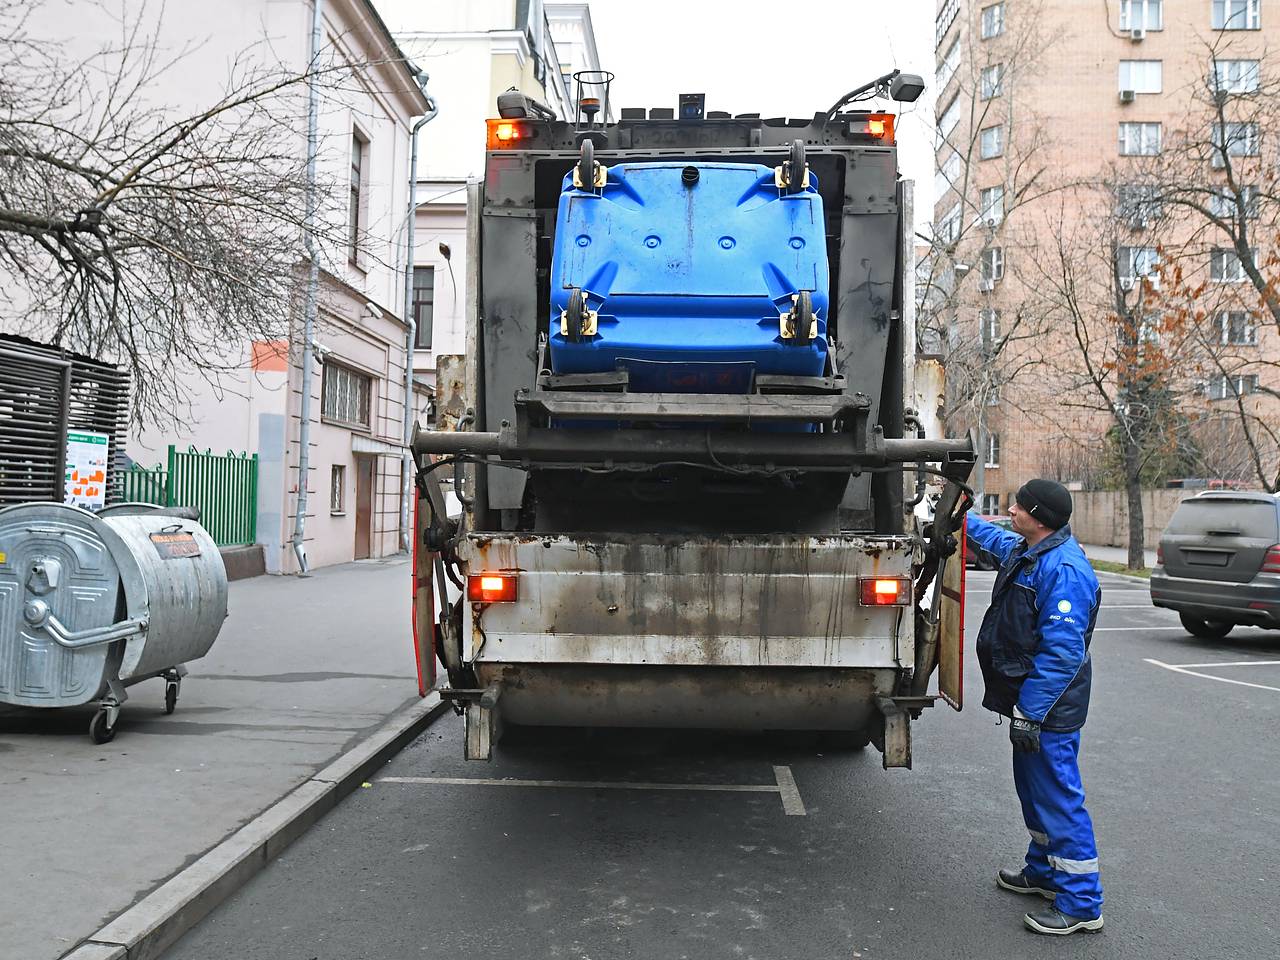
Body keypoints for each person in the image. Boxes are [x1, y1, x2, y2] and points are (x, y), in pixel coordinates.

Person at [966, 478, 1104, 936]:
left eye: (1018, 506)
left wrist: (1030, 712)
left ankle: (1082, 905)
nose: (1010, 511)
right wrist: (955, 515)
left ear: (1038, 517)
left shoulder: (1064, 570)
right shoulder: (1032, 550)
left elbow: (1062, 654)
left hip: (1049, 711)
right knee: (1034, 792)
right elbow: (994, 538)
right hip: (1032, 707)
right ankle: (1044, 872)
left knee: (1058, 798)